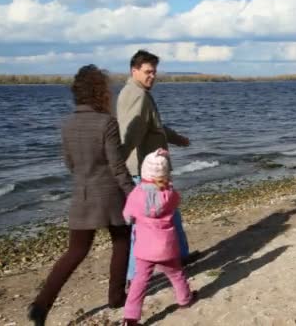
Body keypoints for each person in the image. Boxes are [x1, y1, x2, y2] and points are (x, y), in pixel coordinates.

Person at [28, 65, 135, 325]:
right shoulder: (106, 122)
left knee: (74, 252)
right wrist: (134, 193)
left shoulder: (67, 124)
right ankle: (116, 297)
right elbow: (117, 166)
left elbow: (70, 164)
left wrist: (87, 178)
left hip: (81, 193)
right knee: (121, 241)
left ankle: (41, 306)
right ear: (100, 91)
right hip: (109, 195)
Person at [117, 50, 200, 283]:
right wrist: (117, 162)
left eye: (154, 72)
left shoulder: (137, 92)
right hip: (145, 171)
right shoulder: (137, 96)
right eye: (147, 72)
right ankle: (134, 275)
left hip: (151, 169)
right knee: (144, 224)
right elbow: (130, 134)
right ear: (134, 71)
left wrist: (177, 139)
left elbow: (156, 127)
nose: (152, 76)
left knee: (171, 215)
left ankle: (181, 256)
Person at [122, 149, 197, 325]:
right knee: (176, 274)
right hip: (166, 246)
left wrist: (136, 217)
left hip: (144, 247)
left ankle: (131, 317)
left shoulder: (136, 194)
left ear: (144, 172)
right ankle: (185, 299)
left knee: (140, 281)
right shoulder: (170, 194)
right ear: (166, 173)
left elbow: (127, 217)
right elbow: (175, 202)